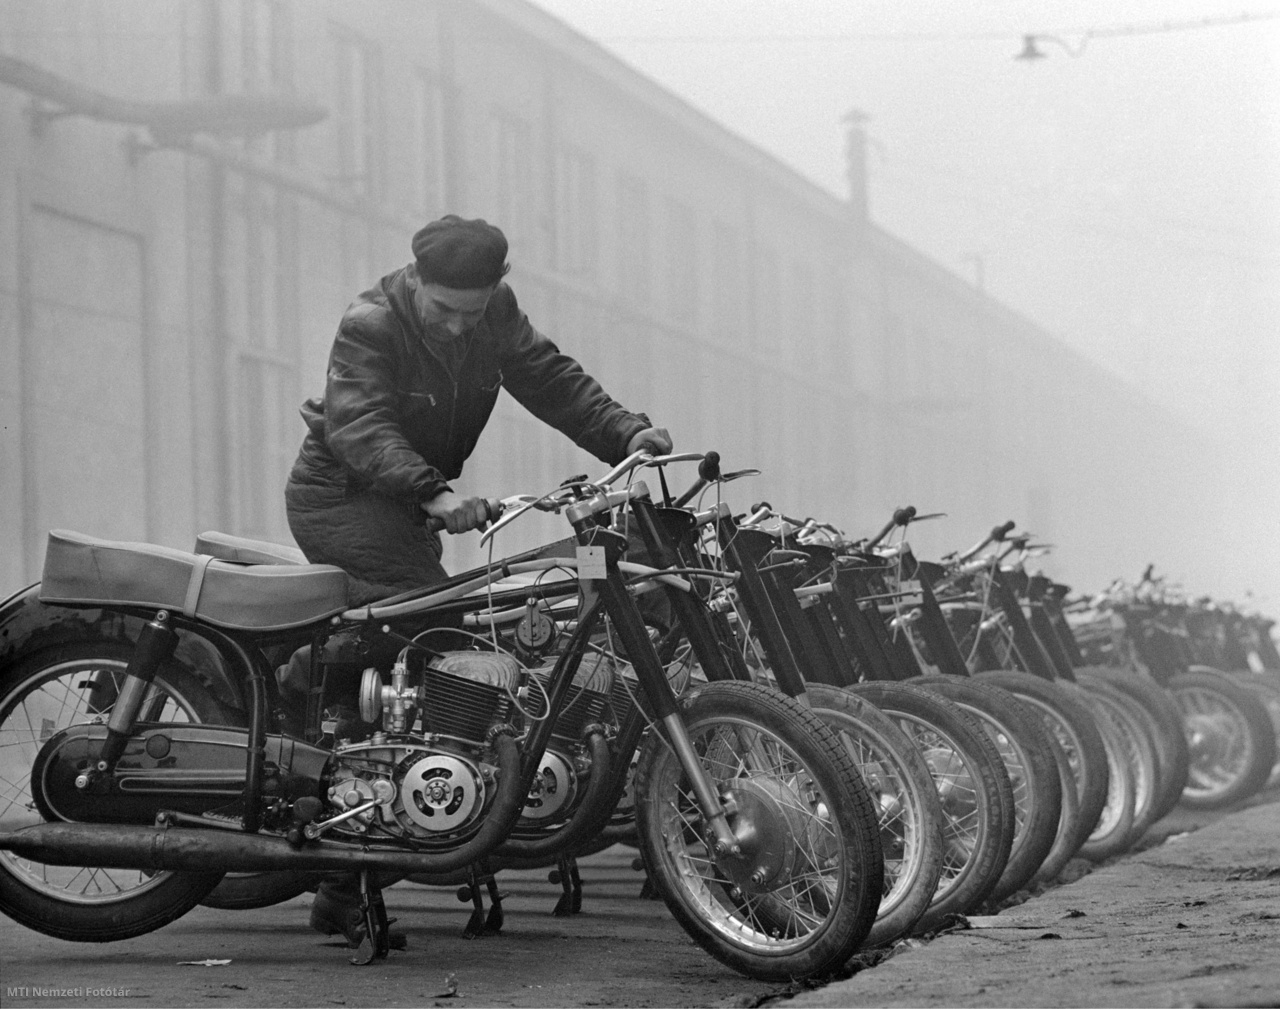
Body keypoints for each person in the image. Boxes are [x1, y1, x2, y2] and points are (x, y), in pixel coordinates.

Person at [283, 214, 672, 943]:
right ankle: (340, 873)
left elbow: (550, 378)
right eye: (445, 312)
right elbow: (360, 422)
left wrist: (625, 432)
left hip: (404, 500)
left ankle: (320, 691)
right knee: (442, 654)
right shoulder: (372, 321)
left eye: (474, 311)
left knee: (439, 645)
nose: (462, 328)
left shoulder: (494, 312)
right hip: (343, 496)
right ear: (416, 282)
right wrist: (433, 492)